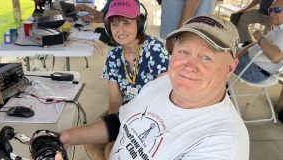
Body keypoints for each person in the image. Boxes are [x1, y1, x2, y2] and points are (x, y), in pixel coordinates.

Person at [58, 15, 249, 159]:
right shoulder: (163, 83)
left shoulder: (224, 144)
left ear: (230, 67)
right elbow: (121, 120)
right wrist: (67, 137)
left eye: (206, 57)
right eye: (183, 51)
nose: (189, 66)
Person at [85, 0, 170, 159]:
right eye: (115, 24)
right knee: (91, 141)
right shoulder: (113, 55)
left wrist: (125, 134)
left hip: (151, 116)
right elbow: (115, 101)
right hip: (124, 112)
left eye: (126, 23)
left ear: (139, 24)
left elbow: (163, 100)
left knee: (112, 149)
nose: (120, 30)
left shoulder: (155, 50)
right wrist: (117, 129)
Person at [234, 0, 283, 83]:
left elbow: (275, 57)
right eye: (270, 10)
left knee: (218, 58)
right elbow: (256, 44)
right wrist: (236, 56)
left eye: (277, 9)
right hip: (249, 61)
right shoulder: (278, 28)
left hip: (253, 69)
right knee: (225, 51)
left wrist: (260, 37)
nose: (271, 13)